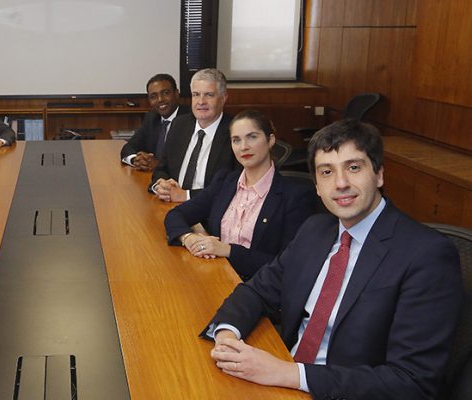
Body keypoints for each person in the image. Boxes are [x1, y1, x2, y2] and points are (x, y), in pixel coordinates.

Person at [204, 119, 463, 399]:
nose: (340, 183)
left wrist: (287, 373)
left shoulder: (428, 255)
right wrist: (227, 334)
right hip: (282, 379)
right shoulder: (315, 230)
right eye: (326, 172)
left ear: (379, 175)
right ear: (316, 186)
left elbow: (411, 381)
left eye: (354, 167)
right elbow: (257, 290)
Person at [164, 110, 315, 279]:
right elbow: (176, 214)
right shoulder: (226, 182)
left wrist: (227, 250)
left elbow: (286, 266)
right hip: (214, 275)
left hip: (257, 290)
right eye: (236, 140)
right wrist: (188, 238)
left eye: (252, 137)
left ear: (270, 140)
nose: (244, 147)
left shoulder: (295, 196)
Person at [151, 68, 235, 202]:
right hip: (171, 205)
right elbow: (162, 168)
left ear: (223, 98)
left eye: (209, 95)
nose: (201, 101)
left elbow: (231, 187)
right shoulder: (179, 124)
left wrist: (186, 196)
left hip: (208, 214)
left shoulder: (235, 133)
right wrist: (161, 185)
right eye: (196, 94)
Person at [121, 73, 182, 171]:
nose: (160, 100)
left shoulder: (190, 119)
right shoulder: (152, 118)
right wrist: (136, 159)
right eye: (153, 96)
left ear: (176, 93)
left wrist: (159, 165)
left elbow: (188, 163)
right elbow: (129, 147)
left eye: (165, 93)